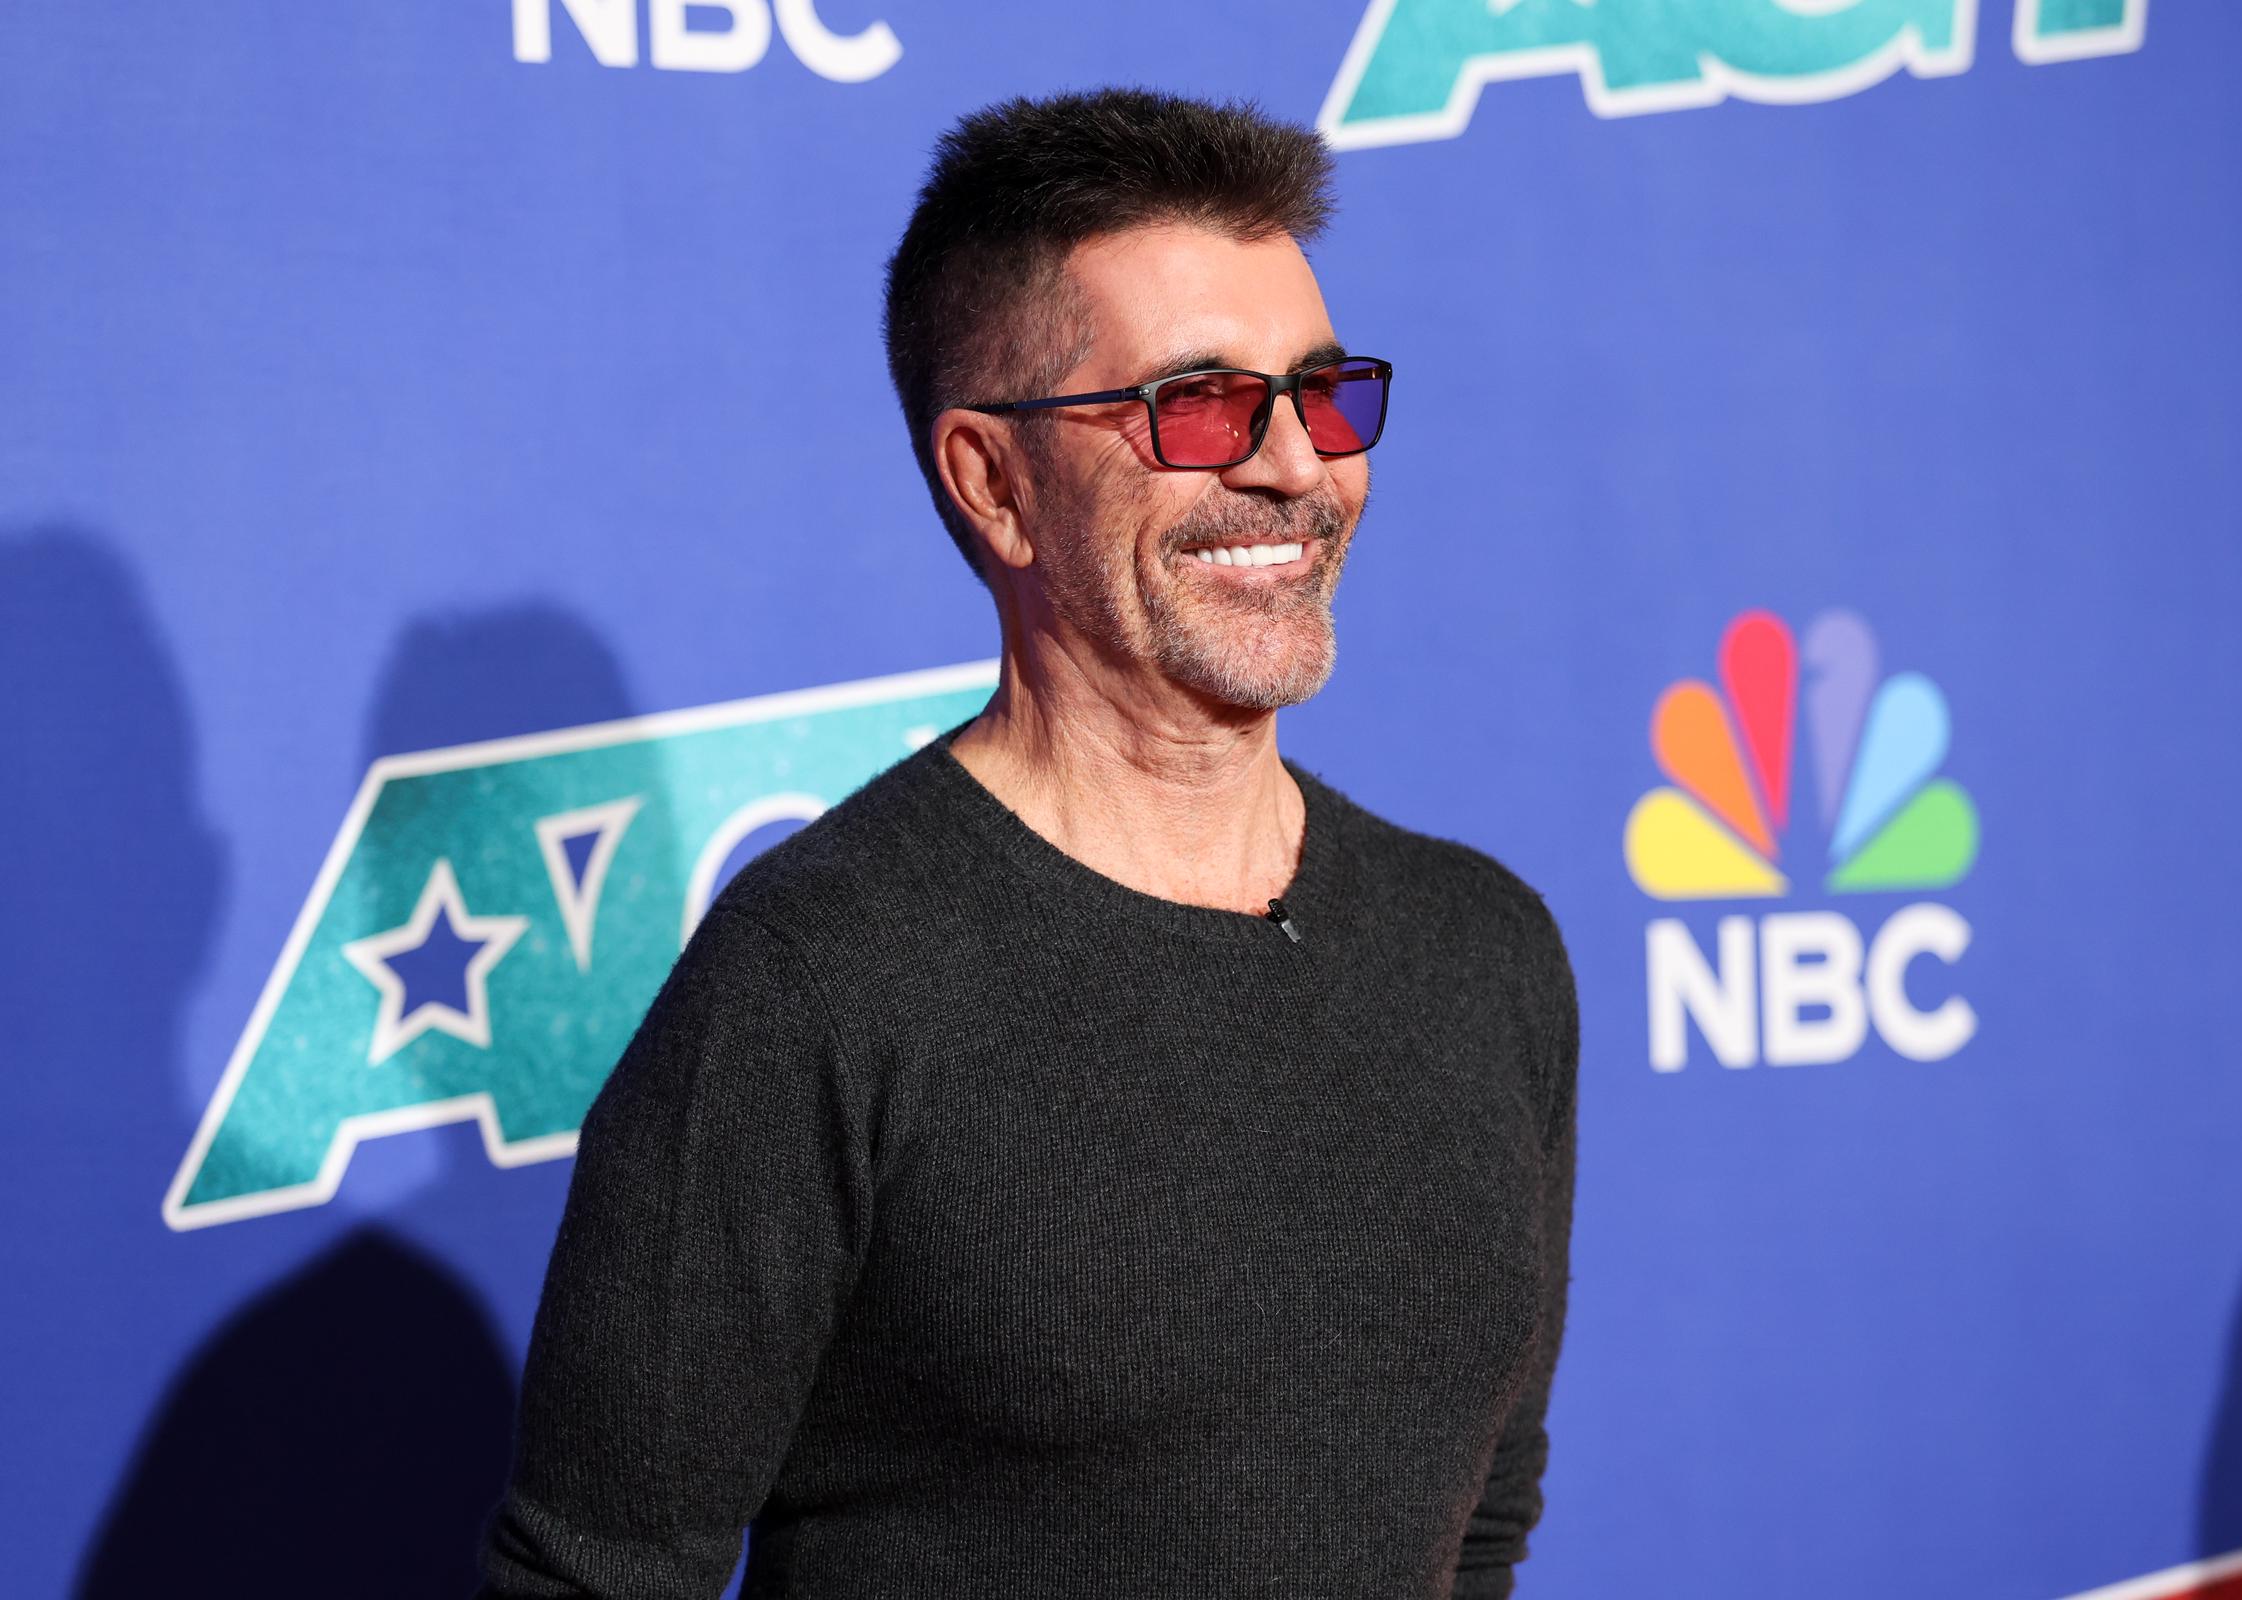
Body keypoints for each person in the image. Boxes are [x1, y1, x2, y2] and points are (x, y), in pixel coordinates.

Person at [478, 87, 1579, 1600]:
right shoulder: (816, 984)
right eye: (1199, 404)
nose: (1295, 472)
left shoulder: (1482, 949)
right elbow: (592, 1577)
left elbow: (1476, 1532)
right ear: (995, 482)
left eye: (1322, 395)